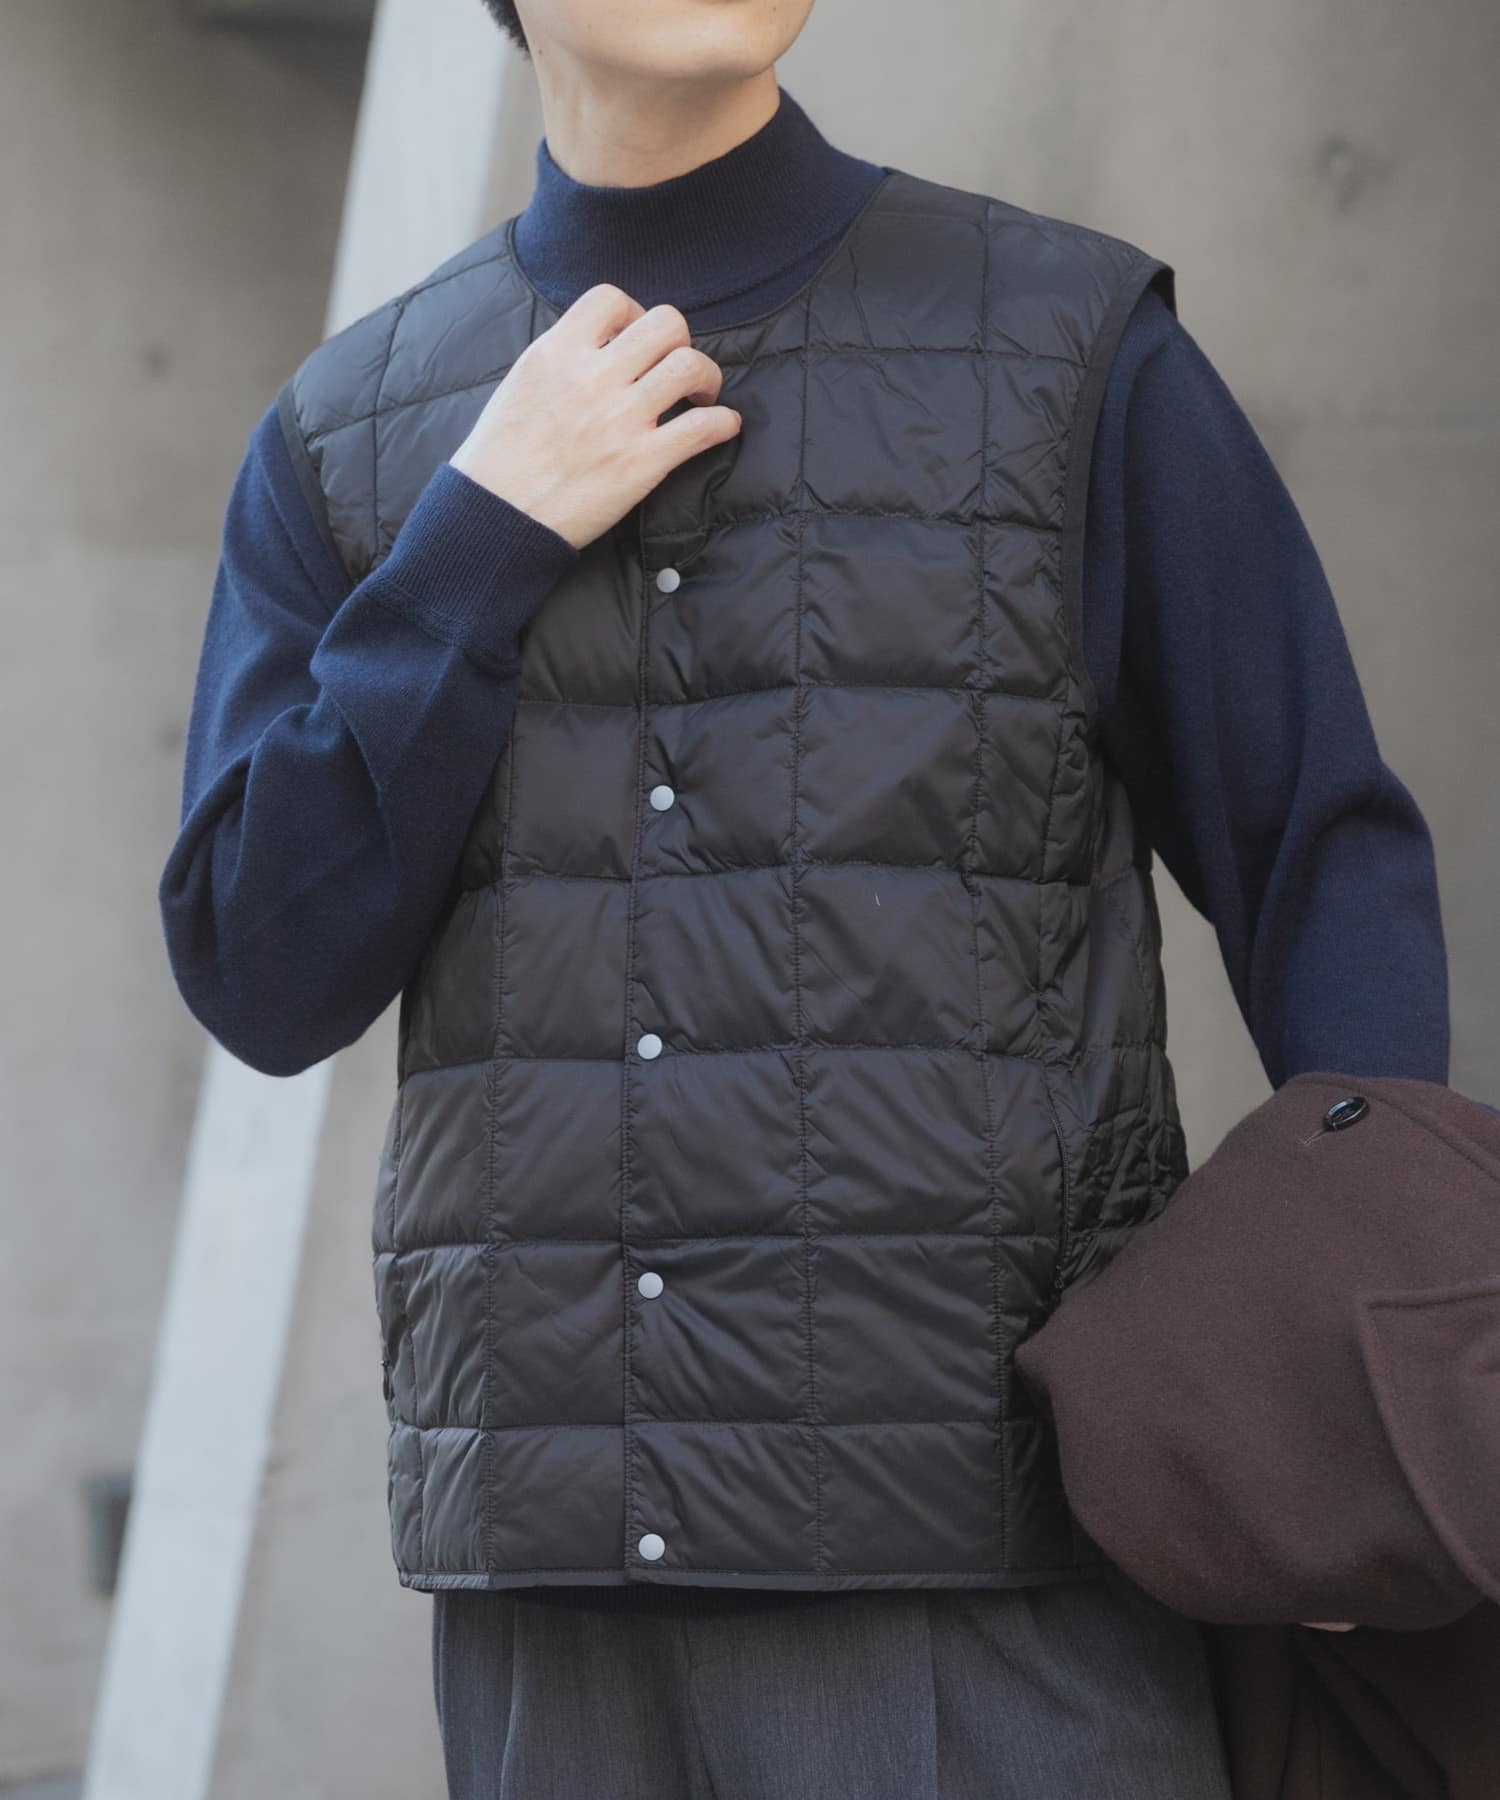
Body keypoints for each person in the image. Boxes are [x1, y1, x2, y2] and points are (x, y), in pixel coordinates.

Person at [158, 2, 1449, 1794]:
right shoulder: (350, 439)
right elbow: (261, 970)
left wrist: (1361, 1380)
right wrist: (479, 541)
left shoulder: (1070, 348)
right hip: (554, 1605)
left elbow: (1318, 846)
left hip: (993, 1564)